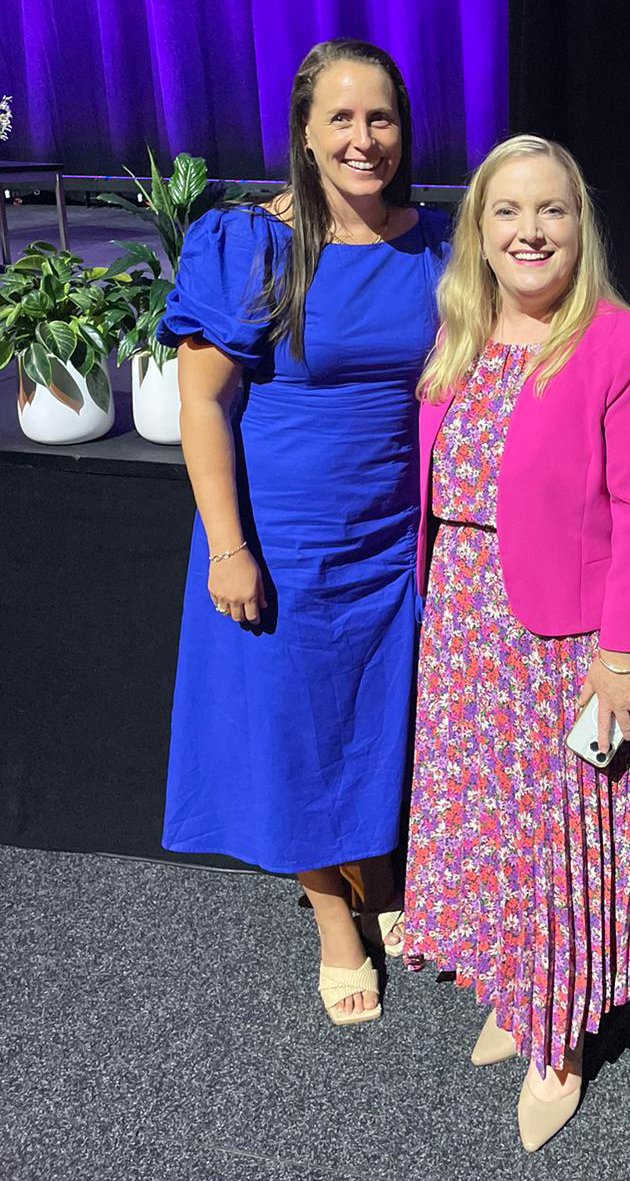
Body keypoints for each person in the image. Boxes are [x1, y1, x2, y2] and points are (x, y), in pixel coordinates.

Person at [402, 134, 630, 1152]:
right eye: (507, 212)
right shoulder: (460, 338)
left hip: (565, 643)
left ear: (583, 224)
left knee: (560, 839)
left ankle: (558, 1036)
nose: (530, 231)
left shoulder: (627, 349)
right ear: (479, 231)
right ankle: (520, 985)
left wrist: (625, 655)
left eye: (552, 211)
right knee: (494, 833)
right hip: (469, 629)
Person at [159, 39, 449, 1026]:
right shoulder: (253, 243)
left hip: (392, 539)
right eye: (342, 118)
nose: (365, 139)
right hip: (279, 542)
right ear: (306, 133)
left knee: (375, 720)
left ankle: (379, 877)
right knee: (292, 728)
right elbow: (203, 402)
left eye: (382, 119)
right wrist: (229, 545)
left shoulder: (439, 247)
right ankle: (335, 916)